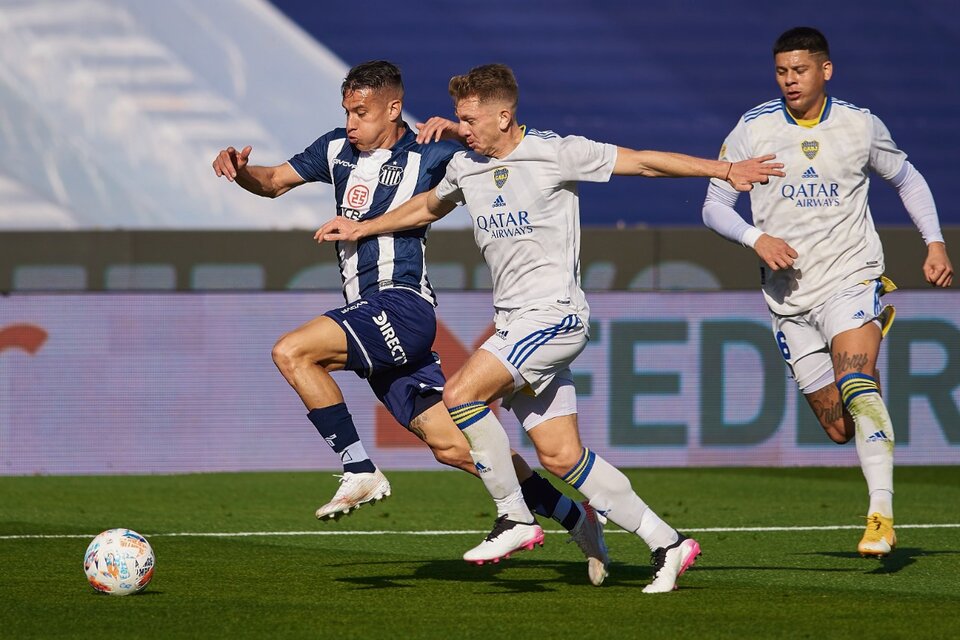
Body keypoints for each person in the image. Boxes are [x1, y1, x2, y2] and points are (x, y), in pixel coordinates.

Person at [316, 63, 784, 592]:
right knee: (561, 455)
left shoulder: (556, 152)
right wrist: (364, 226)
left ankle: (515, 518)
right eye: (460, 119)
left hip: (555, 315)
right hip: (514, 321)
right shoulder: (467, 167)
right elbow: (425, 206)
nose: (459, 128)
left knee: (461, 396)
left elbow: (646, 163)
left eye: (469, 120)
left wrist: (724, 172)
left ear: (504, 115)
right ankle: (669, 544)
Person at [212, 60, 610, 585]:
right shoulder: (335, 149)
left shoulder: (433, 152)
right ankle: (574, 515)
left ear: (393, 108)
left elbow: (501, 150)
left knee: (293, 351)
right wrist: (242, 171)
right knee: (458, 449)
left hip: (402, 305)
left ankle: (358, 469)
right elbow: (273, 181)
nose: (352, 123)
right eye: (347, 112)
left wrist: (458, 134)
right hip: (368, 313)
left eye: (362, 112)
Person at [702, 27, 953, 557]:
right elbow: (714, 205)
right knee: (839, 427)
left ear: (825, 70)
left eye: (800, 70)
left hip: (850, 277)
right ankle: (865, 416)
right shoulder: (753, 127)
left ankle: (881, 515)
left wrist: (935, 244)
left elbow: (908, 179)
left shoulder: (859, 125)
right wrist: (756, 237)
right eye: (782, 71)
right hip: (789, 298)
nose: (790, 80)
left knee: (858, 382)